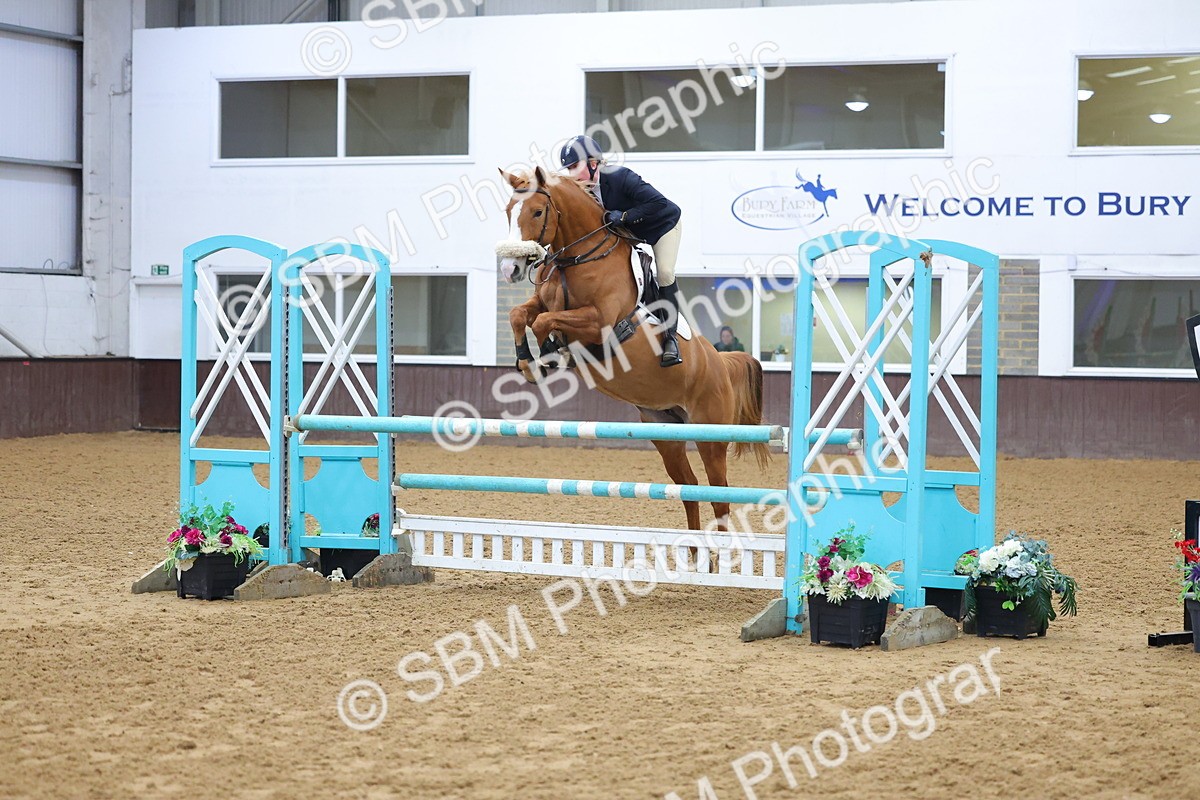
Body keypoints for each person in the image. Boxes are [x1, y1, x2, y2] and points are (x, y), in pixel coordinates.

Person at [559, 134, 684, 367]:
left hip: (662, 226)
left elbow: (658, 203)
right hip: (628, 233)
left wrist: (625, 216)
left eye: (575, 166)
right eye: (568, 169)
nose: (571, 174)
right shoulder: (582, 191)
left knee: (665, 272)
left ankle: (670, 338)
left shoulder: (619, 177)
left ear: (593, 163)